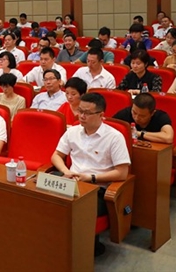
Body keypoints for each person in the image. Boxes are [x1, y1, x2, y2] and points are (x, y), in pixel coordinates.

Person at [50, 93, 131, 257]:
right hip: (72, 180)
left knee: (77, 207)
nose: (82, 116)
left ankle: (79, 251)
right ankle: (52, 243)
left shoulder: (114, 137)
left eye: (87, 113)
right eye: (80, 111)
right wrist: (66, 172)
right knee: (43, 197)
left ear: (101, 115)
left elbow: (122, 172)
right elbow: (56, 156)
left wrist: (91, 178)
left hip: (97, 189)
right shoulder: (73, 131)